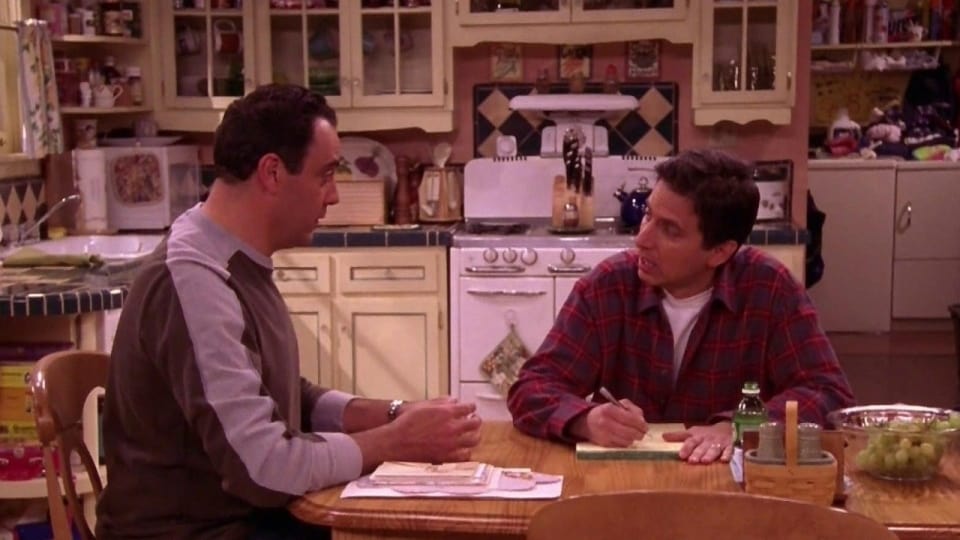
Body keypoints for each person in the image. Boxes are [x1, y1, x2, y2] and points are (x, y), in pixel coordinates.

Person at [97, 84, 482, 540]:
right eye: (325, 175)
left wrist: (394, 414)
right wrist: (397, 442)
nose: (333, 196)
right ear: (273, 173)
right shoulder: (194, 281)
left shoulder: (232, 256)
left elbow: (284, 395)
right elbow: (263, 468)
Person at [507, 148, 855, 465]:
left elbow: (829, 395)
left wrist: (737, 426)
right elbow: (531, 388)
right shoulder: (608, 286)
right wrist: (585, 419)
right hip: (625, 484)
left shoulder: (769, 288)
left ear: (719, 252)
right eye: (648, 215)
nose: (641, 239)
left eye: (670, 230)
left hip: (727, 485)